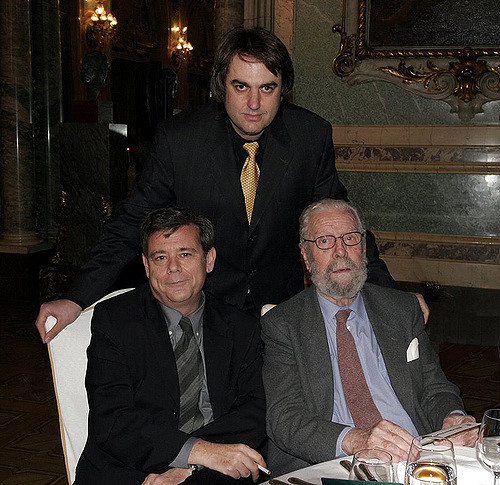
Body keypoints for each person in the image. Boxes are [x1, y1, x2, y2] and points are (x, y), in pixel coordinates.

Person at [36, 27, 402, 343]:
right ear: (220, 86)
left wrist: (391, 297)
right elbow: (131, 222)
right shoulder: (181, 141)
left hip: (281, 310)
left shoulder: (310, 136)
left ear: (283, 90)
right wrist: (76, 298)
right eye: (241, 86)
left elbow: (340, 223)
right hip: (204, 312)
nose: (254, 103)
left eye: (267, 88)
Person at [261, 199, 476, 477]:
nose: (341, 251)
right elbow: (284, 417)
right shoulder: (284, 324)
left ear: (363, 247)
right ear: (305, 254)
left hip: (416, 456)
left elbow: (435, 388)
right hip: (334, 465)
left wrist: (453, 419)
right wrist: (356, 439)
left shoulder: (402, 309)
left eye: (350, 238)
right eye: (325, 241)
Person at [75, 207, 267, 484]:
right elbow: (113, 420)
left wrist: (195, 465)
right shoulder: (115, 321)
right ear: (146, 266)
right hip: (130, 470)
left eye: (185, 254)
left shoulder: (241, 327)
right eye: (160, 257)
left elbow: (256, 411)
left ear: (209, 259)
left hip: (218, 471)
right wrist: (194, 452)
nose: (173, 268)